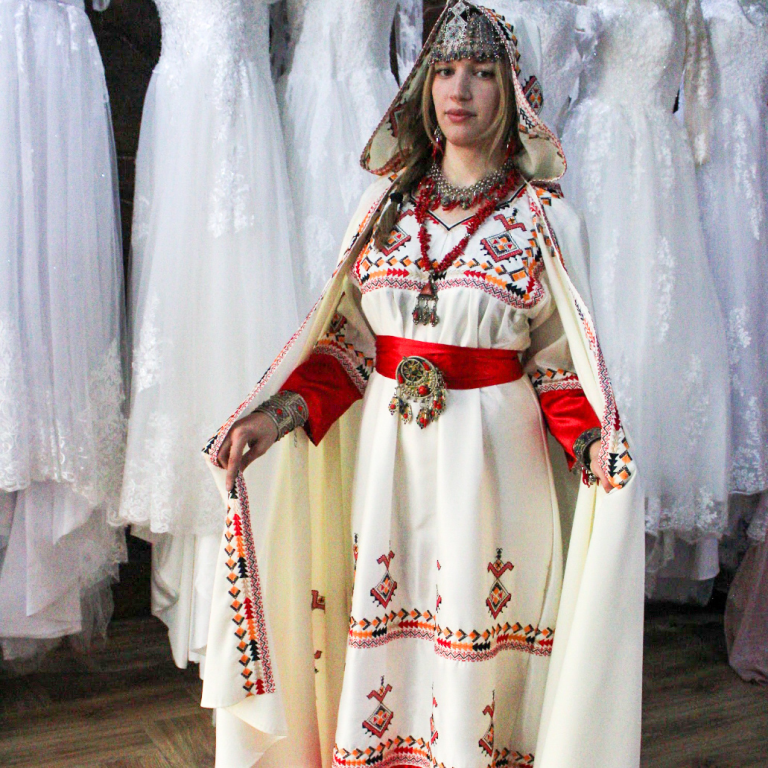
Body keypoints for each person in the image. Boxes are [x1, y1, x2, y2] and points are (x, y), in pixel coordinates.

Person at [202, 3, 644, 767]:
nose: (458, 89)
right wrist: (273, 419)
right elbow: (346, 344)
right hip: (390, 466)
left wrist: (592, 444)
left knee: (477, 626)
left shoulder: (543, 220)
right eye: (444, 70)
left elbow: (557, 366)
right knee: (389, 622)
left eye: (480, 72)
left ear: (512, 90)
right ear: (423, 85)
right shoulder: (383, 208)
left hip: (494, 468)